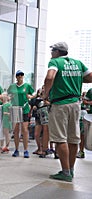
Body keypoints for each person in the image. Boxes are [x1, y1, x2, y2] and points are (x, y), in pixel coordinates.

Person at [43, 41, 92, 182]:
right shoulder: (78, 63)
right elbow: (90, 77)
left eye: (53, 51)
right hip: (76, 104)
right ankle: (71, 170)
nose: (51, 53)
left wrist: (46, 94)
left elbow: (50, 77)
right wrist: (74, 79)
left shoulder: (55, 62)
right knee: (73, 138)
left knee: (60, 139)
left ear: (57, 52)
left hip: (60, 104)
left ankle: (65, 172)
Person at [7, 70, 34, 158]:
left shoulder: (27, 86)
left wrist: (30, 97)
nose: (20, 76)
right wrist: (9, 97)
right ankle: (16, 149)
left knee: (25, 129)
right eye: (18, 75)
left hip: (24, 109)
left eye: (22, 75)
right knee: (16, 130)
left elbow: (33, 94)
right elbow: (8, 95)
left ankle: (26, 150)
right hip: (15, 109)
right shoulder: (12, 86)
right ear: (16, 77)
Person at [30, 86, 51, 158]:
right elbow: (32, 103)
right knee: (37, 134)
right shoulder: (37, 98)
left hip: (45, 116)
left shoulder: (49, 95)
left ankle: (45, 149)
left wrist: (46, 102)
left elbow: (51, 104)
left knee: (45, 132)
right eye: (42, 88)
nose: (43, 89)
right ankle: (40, 148)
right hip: (38, 116)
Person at [77, 90, 92, 158]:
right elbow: (85, 101)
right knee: (83, 134)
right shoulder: (90, 91)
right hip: (90, 116)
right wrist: (90, 102)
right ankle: (81, 151)